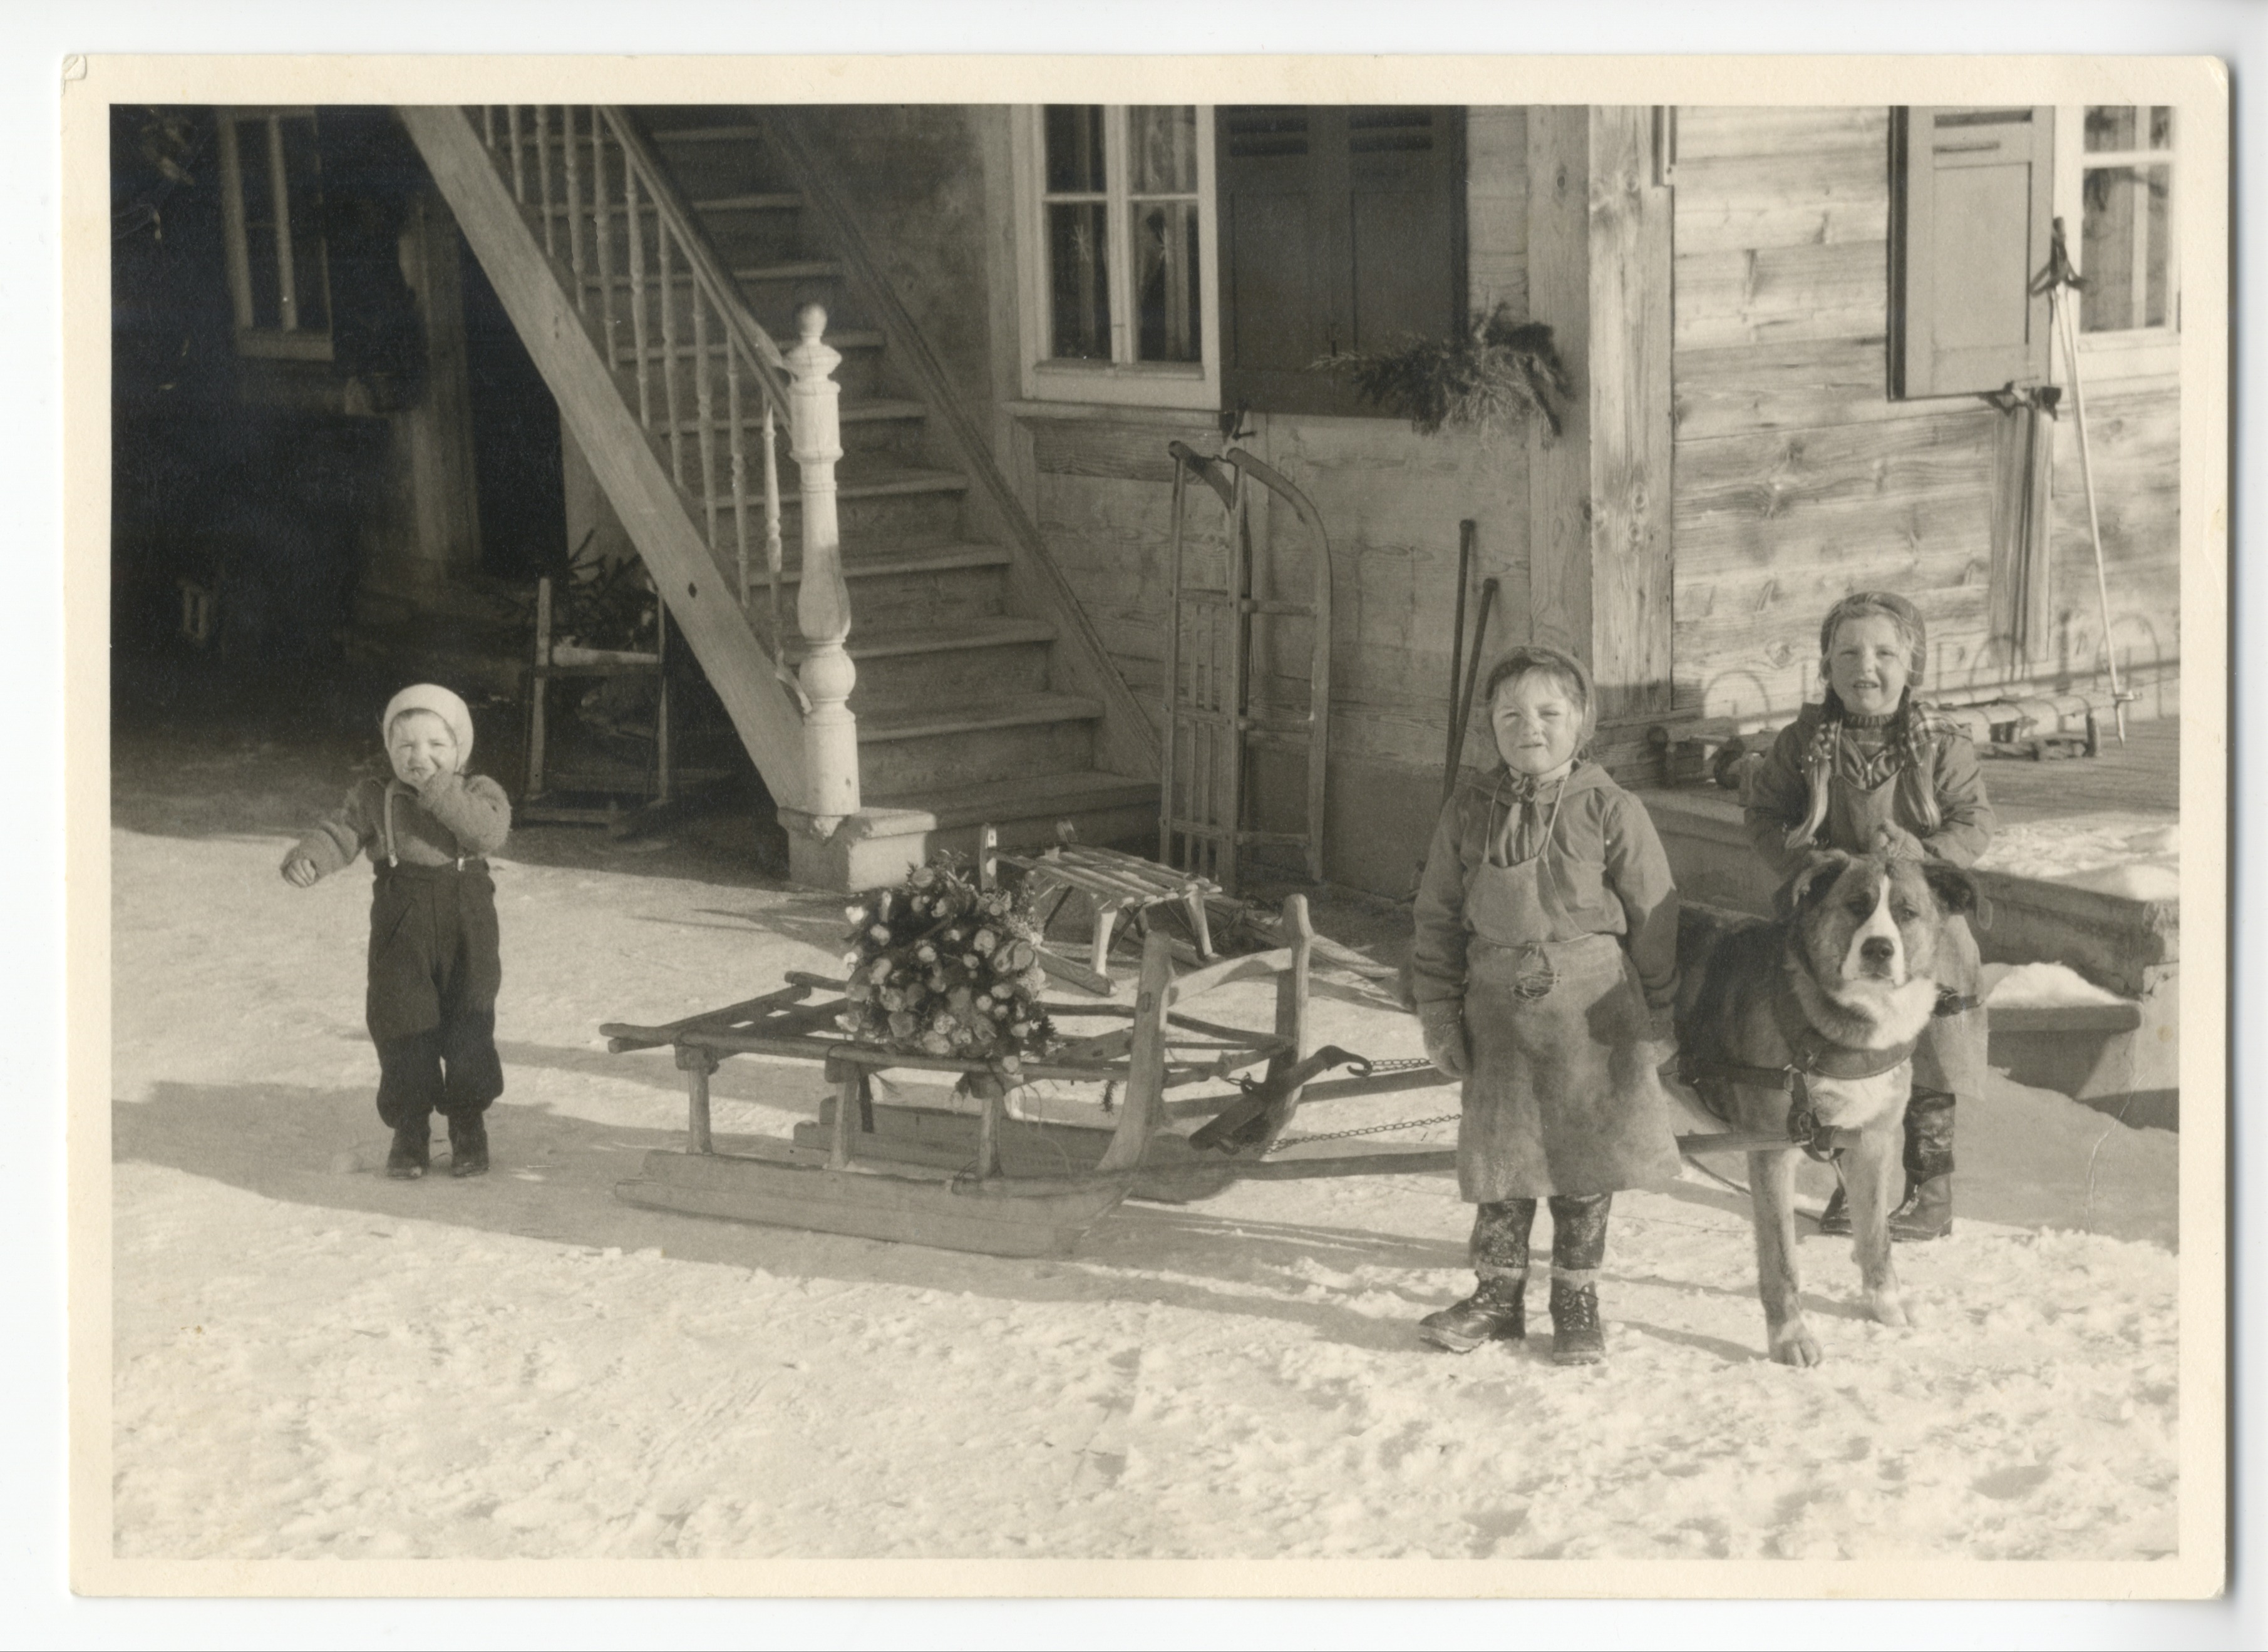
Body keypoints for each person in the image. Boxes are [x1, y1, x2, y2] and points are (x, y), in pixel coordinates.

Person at [1408, 646, 1682, 1365]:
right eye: (1509, 714)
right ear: (1489, 727)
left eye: (1549, 712)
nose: (1529, 727)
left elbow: (1654, 914)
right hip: (1496, 1009)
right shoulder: (1469, 808)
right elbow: (1436, 913)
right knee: (1502, 1156)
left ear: (1582, 719)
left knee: (1583, 1158)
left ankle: (1575, 1299)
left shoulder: (1610, 806)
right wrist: (1438, 1009)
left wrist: (1659, 1017)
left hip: (1593, 1011)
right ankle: (1496, 1297)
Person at [1741, 592, 1993, 1241]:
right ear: (1826, 665)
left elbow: (1974, 820)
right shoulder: (1804, 742)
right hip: (1835, 926)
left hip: (1917, 927)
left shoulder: (1940, 743)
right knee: (1831, 1048)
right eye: (1847, 651)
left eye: (1884, 651)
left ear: (1913, 663)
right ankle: (1855, 1186)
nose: (1866, 666)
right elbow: (1763, 814)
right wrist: (1804, 859)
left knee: (1927, 1056)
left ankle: (1930, 1190)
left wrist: (1925, 857)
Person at [282, 684, 512, 1180]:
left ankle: (469, 1124)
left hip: (466, 925)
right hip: (400, 928)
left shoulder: (477, 791)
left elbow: (487, 833)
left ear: (460, 750)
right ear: (389, 750)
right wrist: (310, 857)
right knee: (402, 1024)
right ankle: (410, 1128)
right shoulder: (376, 797)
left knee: (470, 1020)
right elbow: (340, 832)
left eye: (436, 746)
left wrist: (440, 791)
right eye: (405, 746)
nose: (420, 757)